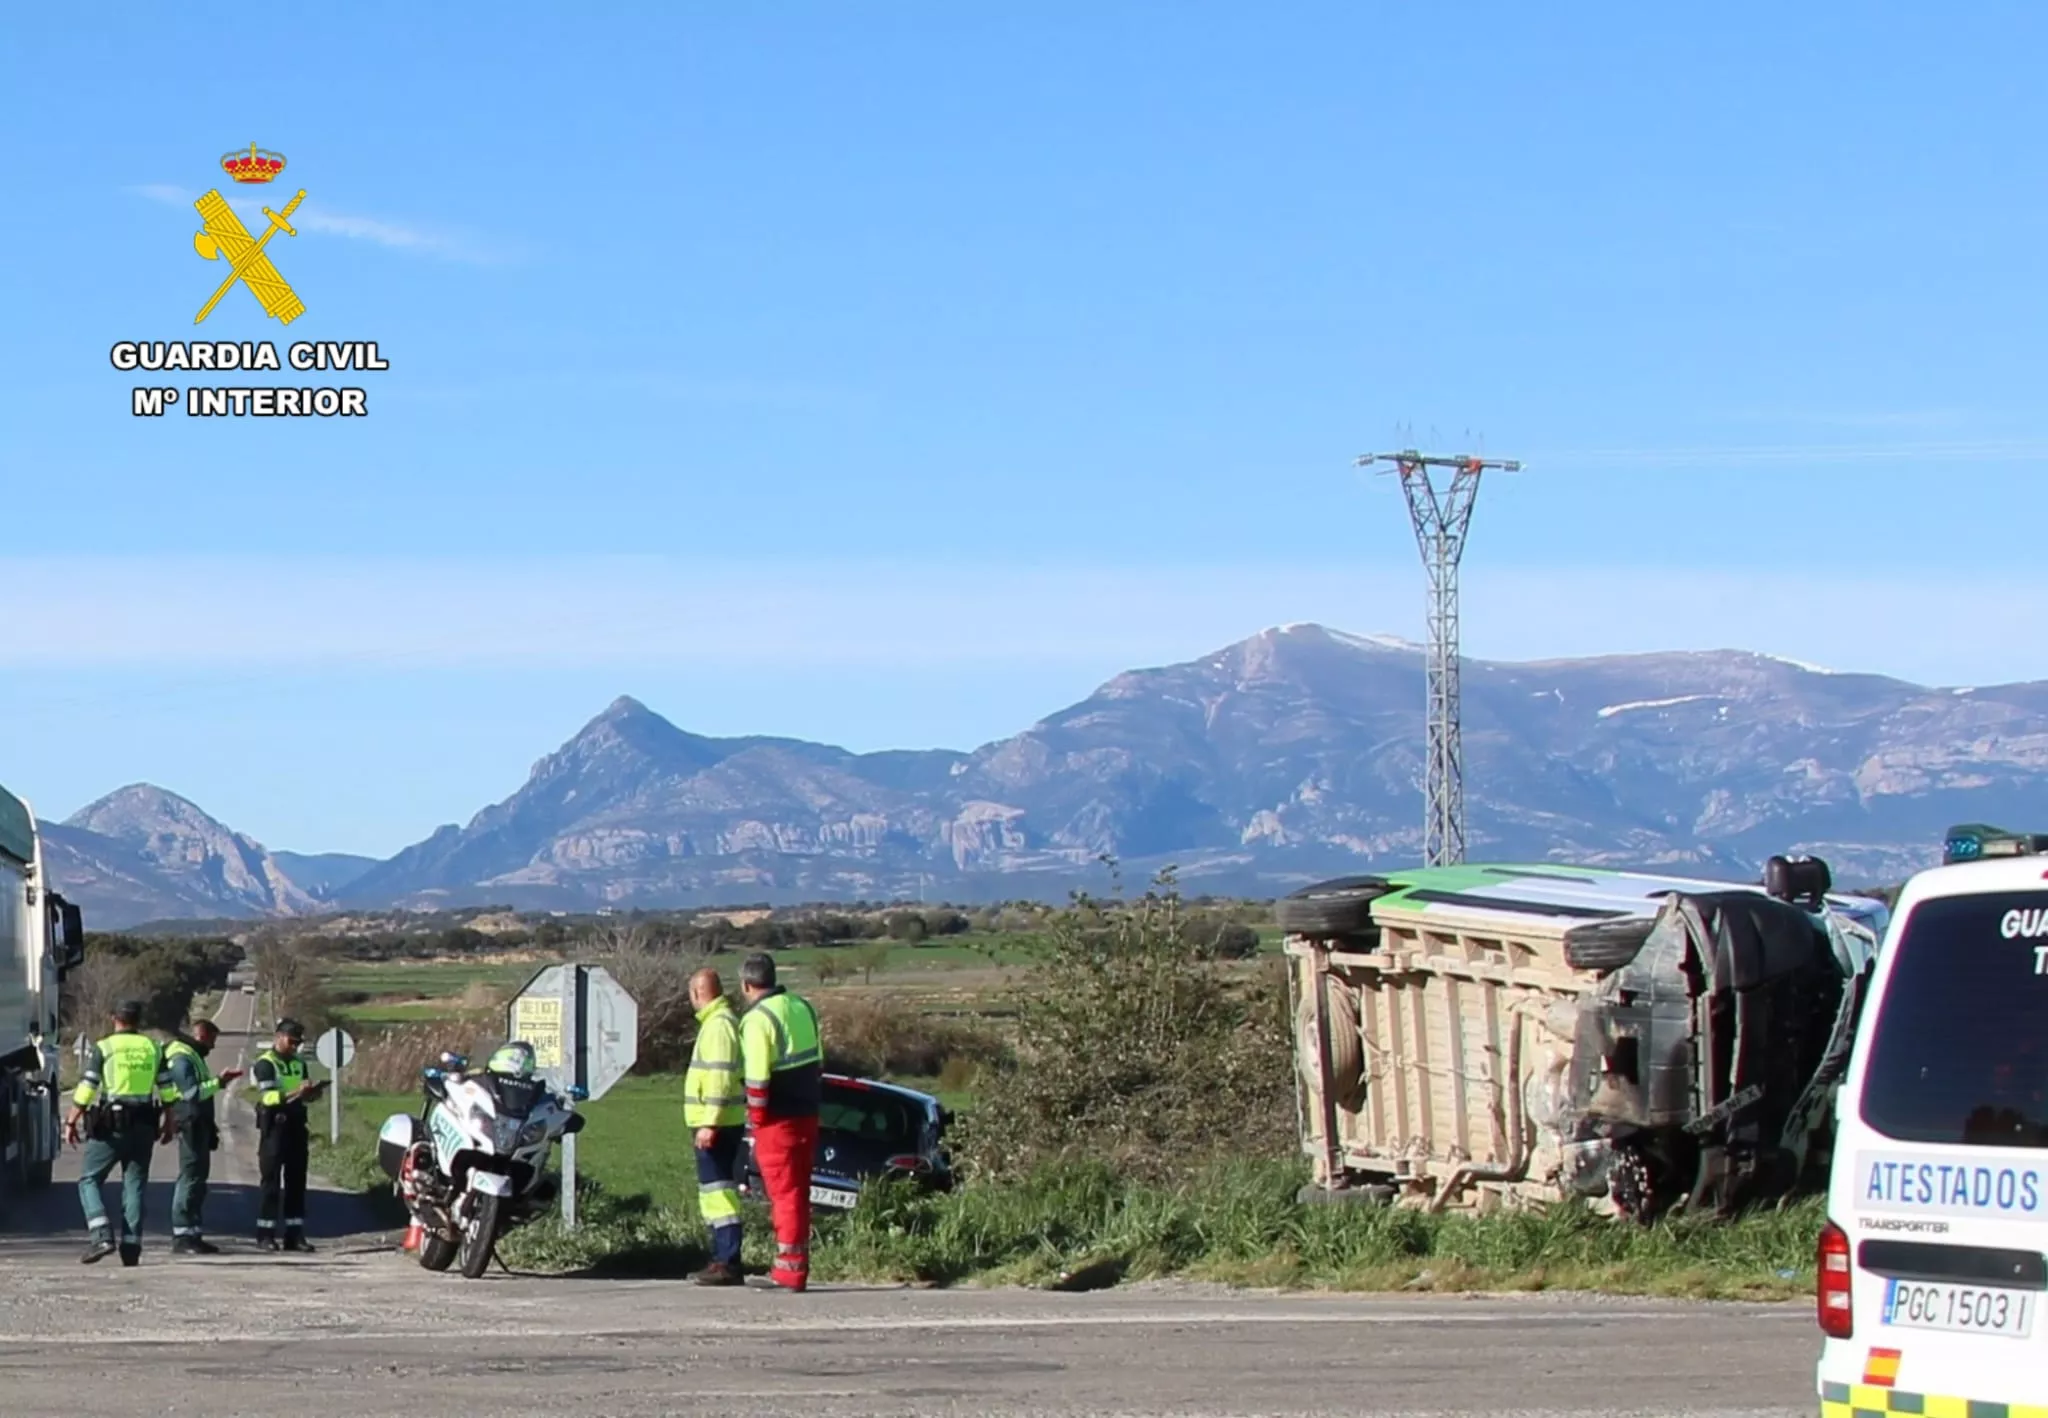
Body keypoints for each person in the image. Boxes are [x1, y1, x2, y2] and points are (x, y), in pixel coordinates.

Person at [65, 1000, 178, 1266]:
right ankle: (131, 1247)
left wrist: (72, 1120)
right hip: (144, 1124)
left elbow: (88, 1086)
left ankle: (102, 1235)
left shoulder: (105, 1047)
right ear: (139, 1020)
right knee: (134, 1184)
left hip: (112, 1125)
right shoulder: (153, 1047)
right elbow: (167, 1088)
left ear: (114, 1018)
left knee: (89, 1180)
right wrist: (170, 1121)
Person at [737, 952, 822, 1292]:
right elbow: (817, 1061)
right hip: (807, 1112)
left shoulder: (757, 1020)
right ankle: (795, 1264)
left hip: (777, 1119)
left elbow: (757, 1080)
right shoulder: (802, 1007)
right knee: (798, 1190)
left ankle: (789, 1269)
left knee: (784, 1193)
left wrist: (755, 1120)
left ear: (746, 985)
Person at [683, 966, 746, 1285]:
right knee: (714, 1193)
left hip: (717, 1125)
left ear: (698, 993)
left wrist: (710, 1123)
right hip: (719, 1123)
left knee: (719, 1192)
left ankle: (727, 1260)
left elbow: (720, 1078)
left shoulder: (719, 1026)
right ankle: (721, 1257)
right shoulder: (718, 1022)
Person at [164, 1017, 244, 1254]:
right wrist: (219, 1082)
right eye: (212, 1040)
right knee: (190, 1177)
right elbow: (191, 1093)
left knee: (198, 1180)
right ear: (201, 1036)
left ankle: (193, 1233)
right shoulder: (181, 1056)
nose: (213, 1046)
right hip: (189, 1122)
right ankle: (182, 1235)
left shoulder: (193, 1056)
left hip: (198, 1123)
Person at [249, 1018, 325, 1252]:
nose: (294, 1047)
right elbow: (267, 1097)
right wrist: (295, 1092)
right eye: (291, 1042)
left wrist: (312, 1093)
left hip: (296, 1125)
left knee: (297, 1182)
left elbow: (303, 1094)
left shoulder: (299, 1063)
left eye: (298, 1043)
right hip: (274, 1127)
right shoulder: (265, 1063)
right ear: (278, 1037)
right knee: (271, 1182)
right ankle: (265, 1234)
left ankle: (294, 1234)